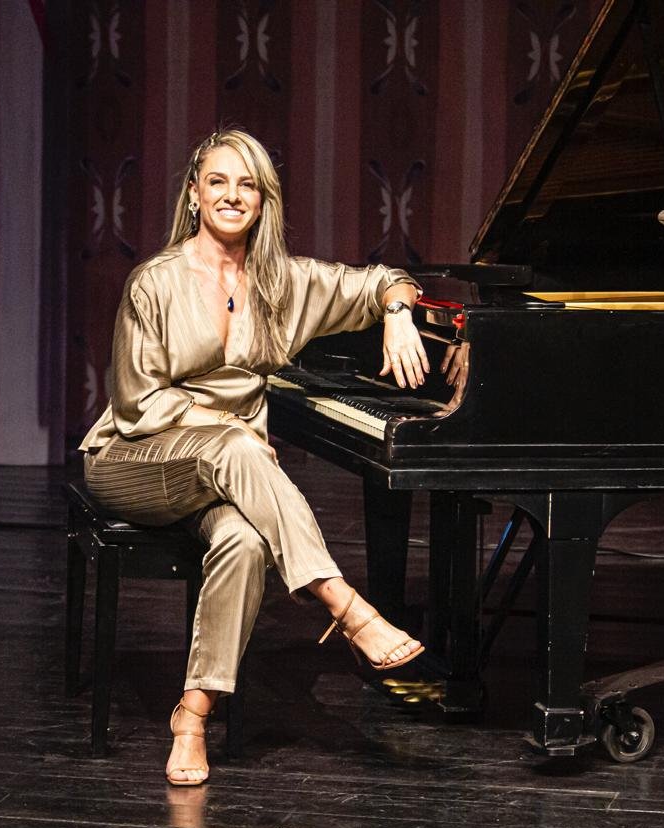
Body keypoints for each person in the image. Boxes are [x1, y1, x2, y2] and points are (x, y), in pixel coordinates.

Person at [79, 128, 432, 786]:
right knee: (240, 443)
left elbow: (385, 280)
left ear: (264, 201)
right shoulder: (153, 282)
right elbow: (135, 403)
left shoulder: (282, 283)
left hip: (226, 470)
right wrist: (224, 427)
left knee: (243, 540)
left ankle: (192, 714)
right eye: (217, 181)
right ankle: (346, 607)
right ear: (193, 194)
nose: (232, 195)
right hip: (134, 459)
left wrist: (396, 313)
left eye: (248, 185)